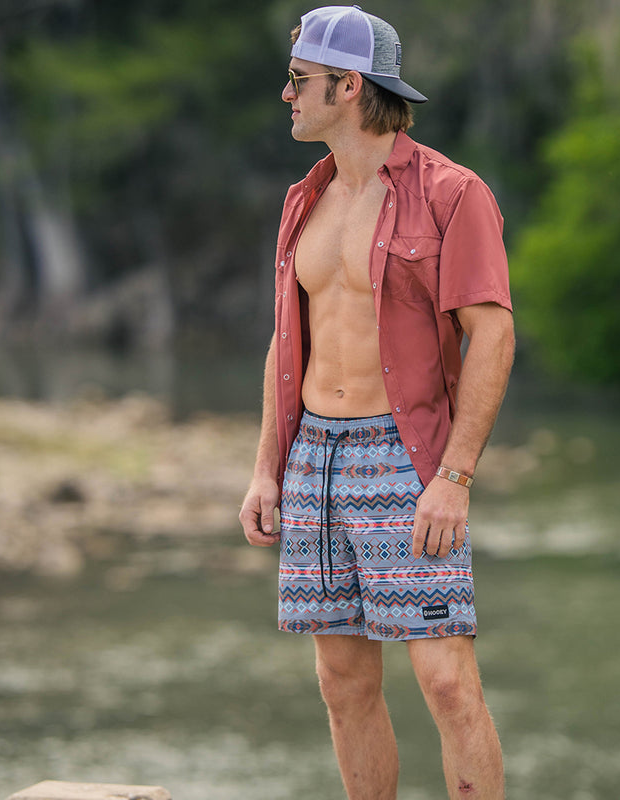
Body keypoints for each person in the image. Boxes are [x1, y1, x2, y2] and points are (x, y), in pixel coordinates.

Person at [239, 6, 514, 799]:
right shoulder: (304, 200)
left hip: (406, 458)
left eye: (300, 80)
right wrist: (266, 471)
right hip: (313, 458)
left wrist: (455, 477)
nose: (287, 94)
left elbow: (492, 337)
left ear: (349, 87)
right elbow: (287, 342)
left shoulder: (452, 194)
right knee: (342, 682)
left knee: (448, 681)